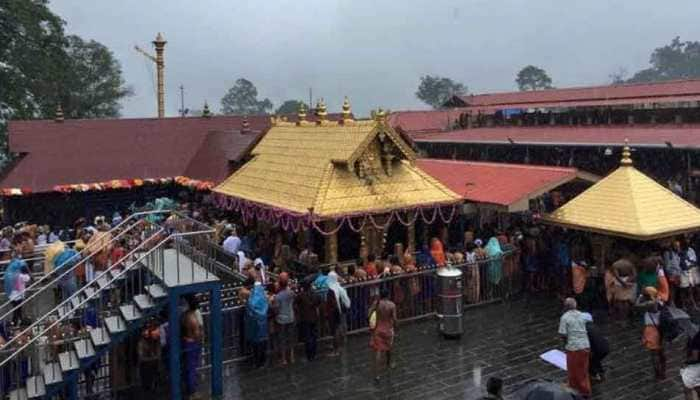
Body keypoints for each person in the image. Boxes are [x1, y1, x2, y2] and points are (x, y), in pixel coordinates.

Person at [558, 297, 591, 397]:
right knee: (583, 369)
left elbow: (562, 334)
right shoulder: (582, 315)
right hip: (585, 345)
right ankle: (585, 389)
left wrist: (565, 344)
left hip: (573, 347)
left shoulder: (565, 317)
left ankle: (577, 389)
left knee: (573, 370)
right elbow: (589, 319)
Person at [635, 286, 666, 380]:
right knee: (661, 352)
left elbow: (636, 306)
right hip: (661, 328)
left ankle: (658, 373)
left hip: (652, 330)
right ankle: (663, 371)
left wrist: (640, 297)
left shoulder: (650, 303)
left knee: (654, 353)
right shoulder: (660, 300)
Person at [369, 288, 397, 382]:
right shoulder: (392, 305)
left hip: (378, 329)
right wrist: (396, 326)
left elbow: (369, 313)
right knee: (389, 348)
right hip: (388, 329)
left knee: (378, 351)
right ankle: (389, 364)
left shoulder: (376, 303)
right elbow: (394, 318)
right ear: (388, 295)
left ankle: (377, 374)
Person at [182, 295, 203, 399]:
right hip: (192, 343)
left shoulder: (186, 314)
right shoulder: (194, 320)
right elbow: (197, 335)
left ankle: (189, 387)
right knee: (192, 368)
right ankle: (192, 391)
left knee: (188, 367)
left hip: (187, 340)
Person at [272, 272, 295, 366]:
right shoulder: (291, 293)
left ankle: (284, 359)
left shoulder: (278, 297)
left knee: (282, 339)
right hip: (290, 317)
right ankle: (292, 357)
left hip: (281, 320)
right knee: (290, 338)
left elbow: (276, 309)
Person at [295, 280, 320, 361]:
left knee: (308, 337)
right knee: (313, 336)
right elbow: (318, 300)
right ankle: (314, 353)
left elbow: (296, 302)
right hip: (314, 317)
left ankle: (309, 355)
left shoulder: (301, 295)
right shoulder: (314, 294)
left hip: (305, 318)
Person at [327, 271, 351, 356]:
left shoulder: (331, 290)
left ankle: (336, 350)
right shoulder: (339, 287)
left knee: (336, 330)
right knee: (340, 328)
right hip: (340, 311)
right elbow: (347, 301)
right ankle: (340, 346)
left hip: (335, 312)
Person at [137, 319, 162, 399]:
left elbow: (159, 352)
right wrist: (154, 358)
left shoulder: (156, 340)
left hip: (154, 366)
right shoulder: (142, 342)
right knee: (146, 386)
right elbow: (141, 357)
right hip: (145, 367)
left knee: (154, 385)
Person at [582, 313, 609, 382]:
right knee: (595, 360)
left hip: (597, 349)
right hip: (605, 348)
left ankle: (595, 376)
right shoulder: (594, 326)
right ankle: (601, 372)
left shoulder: (585, 328)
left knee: (590, 361)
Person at [681, 329, 700, 399]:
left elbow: (695, 358)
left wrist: (686, 362)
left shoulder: (696, 338)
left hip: (696, 368)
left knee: (688, 389)